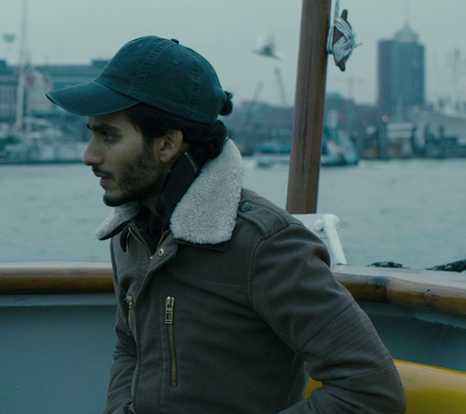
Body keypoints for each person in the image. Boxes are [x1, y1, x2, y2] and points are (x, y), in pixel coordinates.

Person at [46, 35, 406, 413]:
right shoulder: (132, 233)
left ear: (167, 144)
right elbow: (129, 348)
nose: (89, 156)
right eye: (92, 134)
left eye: (109, 136)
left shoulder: (265, 245)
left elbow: (371, 390)